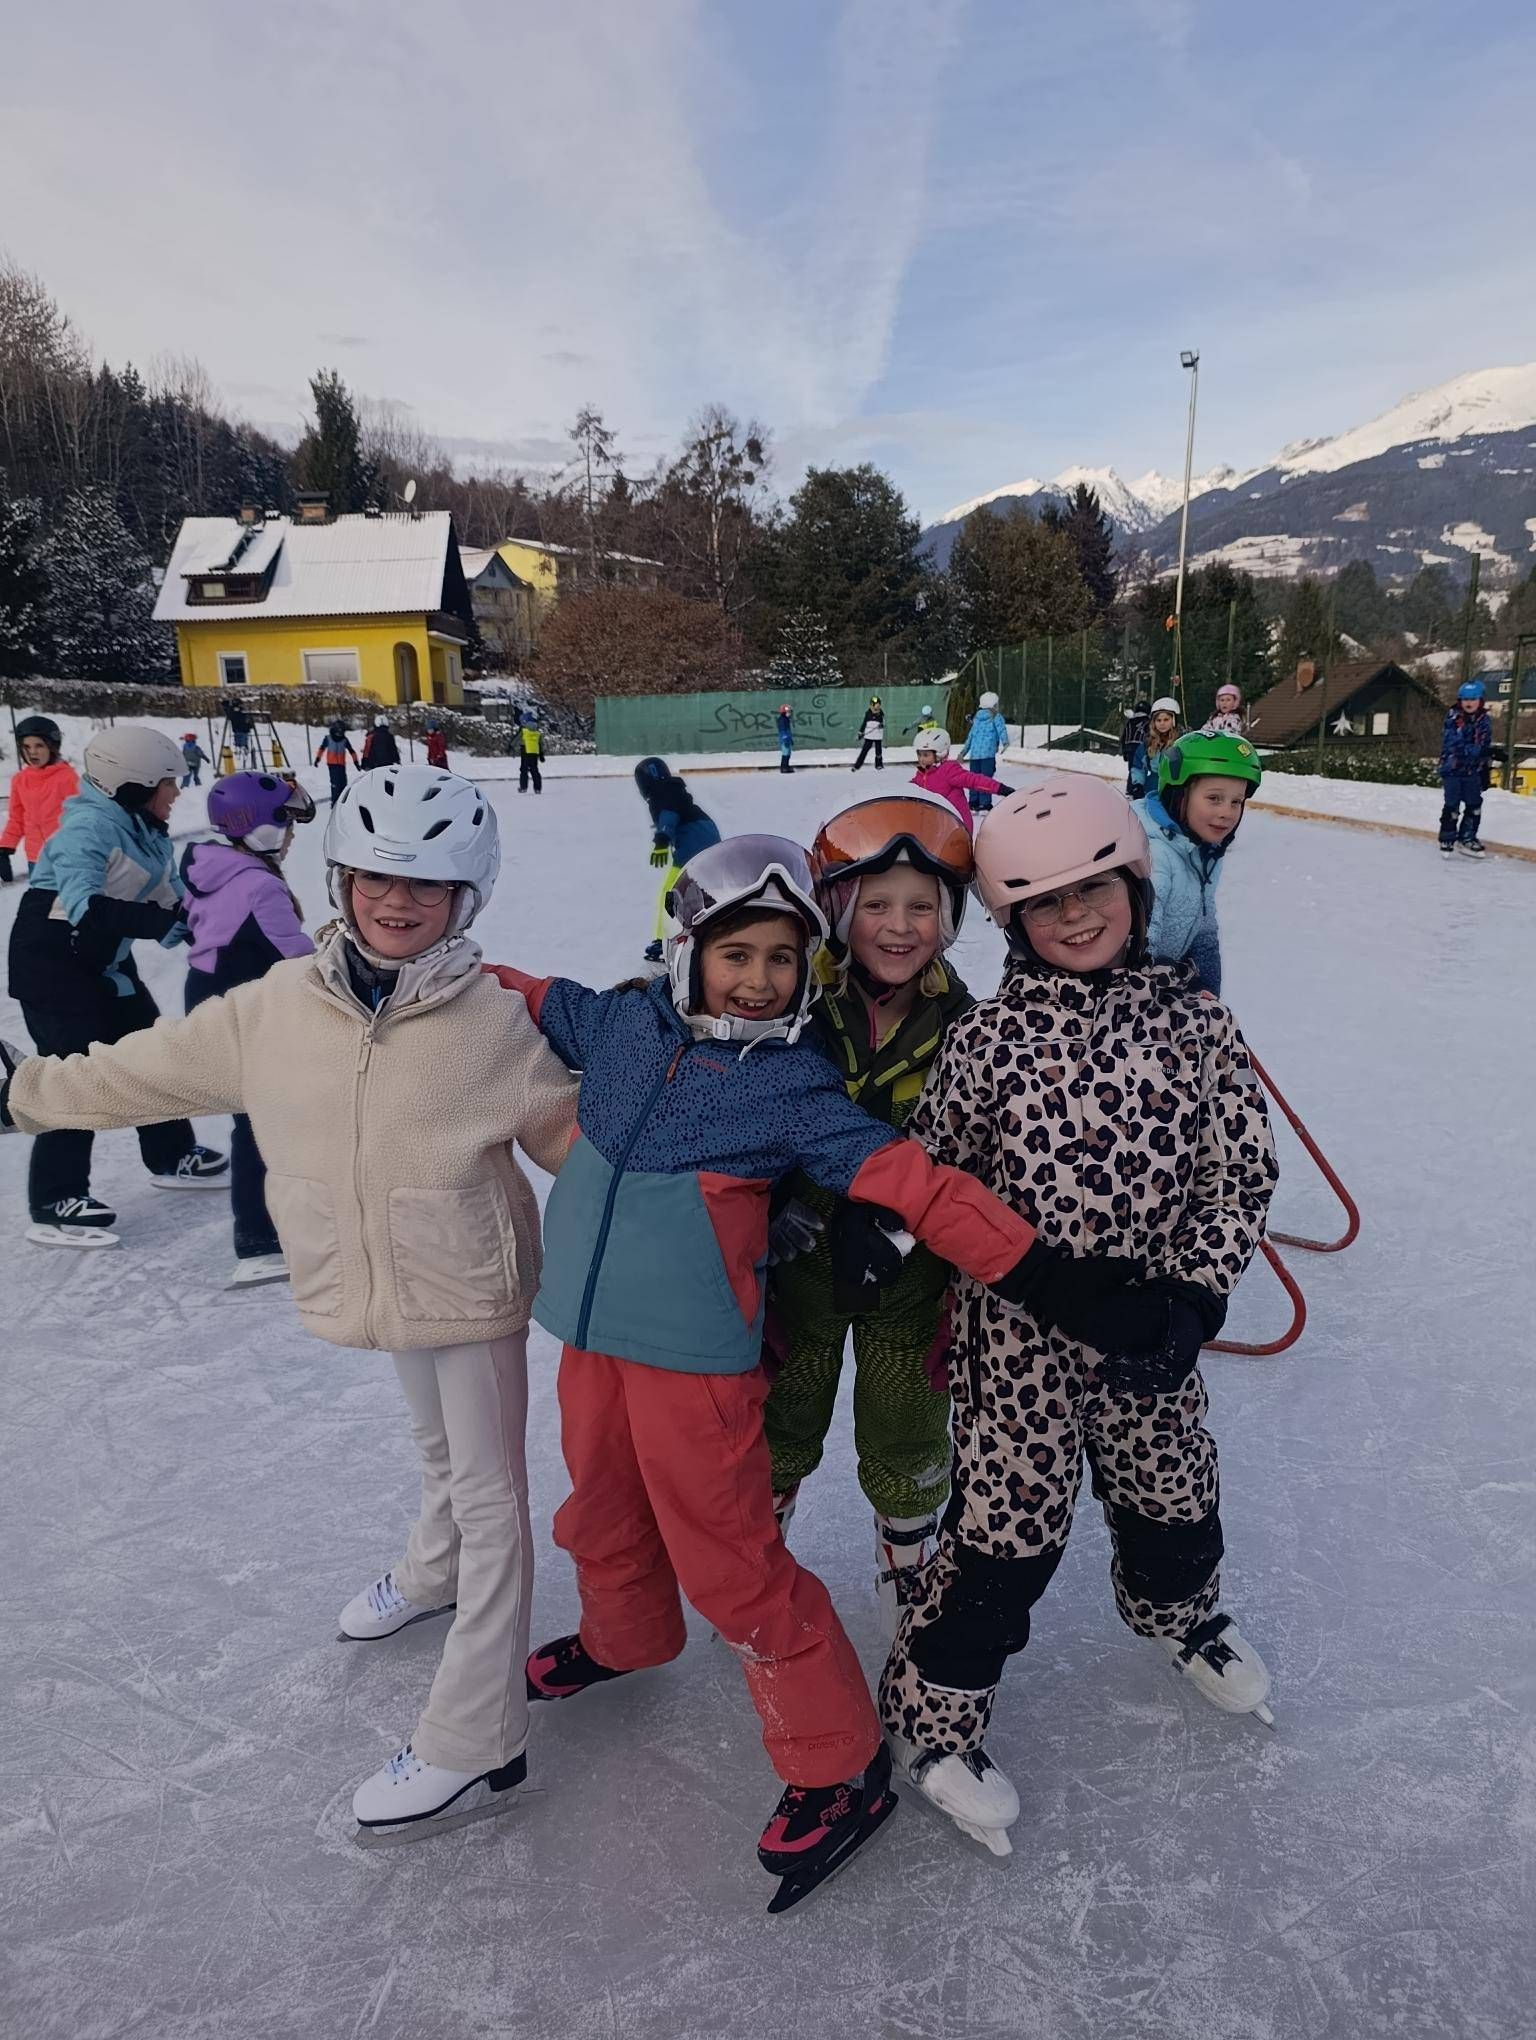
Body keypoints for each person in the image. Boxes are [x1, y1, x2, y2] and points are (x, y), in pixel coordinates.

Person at [491, 835, 1142, 1904]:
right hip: (589, 1340)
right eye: (735, 954)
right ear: (686, 949)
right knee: (599, 1509)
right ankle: (626, 1635)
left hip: (696, 1366)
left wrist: (1054, 1281)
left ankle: (839, 1763)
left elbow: (921, 1187)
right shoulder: (620, 1025)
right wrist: (425, 960)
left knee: (733, 1565)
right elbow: (523, 993)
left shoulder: (791, 1087)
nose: (758, 980)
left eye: (783, 960)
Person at [0, 764, 581, 1838]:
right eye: (373, 879)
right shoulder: (277, 1008)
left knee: (493, 1499)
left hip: (470, 1287)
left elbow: (582, 1153)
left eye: (426, 885)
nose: (395, 902)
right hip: (374, 1276)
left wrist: (721, 1205)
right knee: (436, 1451)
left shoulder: (497, 1026)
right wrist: (22, 1092)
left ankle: (477, 1736)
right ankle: (433, 1570)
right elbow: (143, 1072)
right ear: (339, 880)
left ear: (467, 896)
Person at [879, 775, 1279, 1858]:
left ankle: (1182, 1618)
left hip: (1152, 1333)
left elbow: (1238, 1174)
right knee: (1004, 1539)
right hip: (1019, 1347)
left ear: (1135, 889)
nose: (1074, 916)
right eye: (1043, 903)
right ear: (1011, 922)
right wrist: (889, 1248)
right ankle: (935, 1716)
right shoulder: (987, 1040)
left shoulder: (1197, 1024)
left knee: (1174, 1497)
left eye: (1092, 890)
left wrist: (1193, 1299)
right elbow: (939, 1180)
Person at [763, 791, 976, 1634]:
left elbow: (975, 1147)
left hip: (910, 1274)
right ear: (839, 909)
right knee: (782, 1404)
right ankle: (759, 1540)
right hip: (797, 1262)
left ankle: (906, 1550)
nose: (899, 926)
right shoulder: (791, 1004)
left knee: (908, 1417)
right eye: (876, 904)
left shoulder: (966, 1026)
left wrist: (906, 1224)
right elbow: (738, 1107)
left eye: (922, 907)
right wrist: (772, 1201)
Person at [5, 727, 228, 1247]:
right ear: (133, 784)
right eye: (168, 783)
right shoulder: (87, 828)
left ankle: (171, 1154)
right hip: (52, 965)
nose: (176, 793)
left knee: (149, 1054)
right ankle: (54, 1199)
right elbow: (86, 906)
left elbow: (174, 901)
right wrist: (162, 922)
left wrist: (223, 928)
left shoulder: (147, 831)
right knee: (72, 1075)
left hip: (105, 961)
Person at [181, 772, 318, 1286]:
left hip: (210, 997)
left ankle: (271, 1224)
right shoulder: (261, 885)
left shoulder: (211, 868)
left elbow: (191, 929)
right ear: (261, 828)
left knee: (261, 1116)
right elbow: (298, 957)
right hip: (242, 1009)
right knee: (259, 1121)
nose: (291, 835)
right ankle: (258, 1239)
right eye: (286, 824)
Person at [1134, 731, 1262, 997]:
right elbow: (1140, 949)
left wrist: (1207, 988)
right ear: (1179, 795)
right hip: (1139, 992)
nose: (1227, 812)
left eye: (1236, 802)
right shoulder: (1156, 855)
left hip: (1170, 979)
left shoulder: (1205, 853)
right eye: (1214, 798)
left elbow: (1204, 927)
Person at [633, 756, 720, 963]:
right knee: (699, 889)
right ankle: (707, 929)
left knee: (671, 892)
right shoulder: (672, 789)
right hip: (706, 838)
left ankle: (663, 942)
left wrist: (662, 838)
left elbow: (669, 815)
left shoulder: (662, 793)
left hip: (694, 843)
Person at [1, 715, 79, 885]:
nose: (32, 752)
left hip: (65, 858)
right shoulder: (20, 780)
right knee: (40, 899)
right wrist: (5, 846)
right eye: (26, 747)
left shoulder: (67, 778)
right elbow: (17, 818)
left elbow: (82, 817)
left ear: (52, 747)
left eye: (39, 746)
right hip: (35, 859)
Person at [911, 729, 1010, 831]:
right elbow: (910, 791)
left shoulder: (949, 770)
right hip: (936, 825)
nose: (921, 759)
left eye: (926, 755)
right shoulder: (920, 775)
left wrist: (999, 788)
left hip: (957, 826)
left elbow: (974, 781)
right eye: (919, 754)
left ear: (939, 754)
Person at [1438, 679, 1492, 859]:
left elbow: (1484, 743)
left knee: (1474, 804)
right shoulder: (1454, 718)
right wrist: (1480, 751)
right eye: (1465, 699)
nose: (1469, 703)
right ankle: (1447, 838)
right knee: (1452, 805)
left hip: (1472, 771)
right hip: (1453, 769)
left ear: (1480, 700)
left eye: (1473, 699)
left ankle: (1467, 838)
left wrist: (1486, 764)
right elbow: (1455, 744)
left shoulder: (1484, 720)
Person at [958, 692, 1009, 813]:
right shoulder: (996, 716)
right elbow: (1001, 730)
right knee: (985, 779)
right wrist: (1005, 742)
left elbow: (971, 737)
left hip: (975, 755)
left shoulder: (976, 718)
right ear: (994, 704)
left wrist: (963, 752)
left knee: (974, 779)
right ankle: (985, 804)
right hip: (988, 754)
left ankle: (973, 803)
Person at [1127, 696, 1181, 799]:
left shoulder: (1180, 743)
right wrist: (1138, 785)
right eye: (1158, 720)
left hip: (1175, 790)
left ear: (1174, 720)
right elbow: (1138, 766)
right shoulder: (1148, 743)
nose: (1162, 723)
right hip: (1152, 789)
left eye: (1166, 719)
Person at [315, 721, 360, 805]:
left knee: (343, 783)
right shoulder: (328, 738)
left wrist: (356, 762)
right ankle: (335, 802)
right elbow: (322, 748)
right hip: (332, 765)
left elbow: (351, 751)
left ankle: (343, 802)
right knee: (335, 783)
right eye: (339, 732)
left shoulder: (344, 740)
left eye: (341, 732)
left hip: (341, 765)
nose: (340, 734)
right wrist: (317, 759)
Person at [1119, 699, 1151, 792]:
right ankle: (1136, 788)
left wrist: (1124, 750)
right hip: (1141, 747)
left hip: (1129, 747)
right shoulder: (1148, 722)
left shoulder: (1130, 722)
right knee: (1140, 768)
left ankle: (1131, 788)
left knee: (1133, 769)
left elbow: (1124, 737)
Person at [852, 694, 885, 771]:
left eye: (879, 704)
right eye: (876, 704)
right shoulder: (868, 713)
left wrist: (881, 725)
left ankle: (879, 765)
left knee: (878, 752)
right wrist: (860, 732)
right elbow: (864, 723)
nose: (878, 706)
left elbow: (883, 723)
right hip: (869, 736)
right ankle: (857, 766)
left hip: (878, 736)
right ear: (872, 705)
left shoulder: (881, 713)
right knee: (864, 751)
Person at [516, 709, 545, 795]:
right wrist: (541, 755)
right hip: (534, 751)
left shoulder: (523, 730)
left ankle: (523, 787)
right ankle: (538, 788)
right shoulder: (537, 731)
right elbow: (540, 743)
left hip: (525, 750)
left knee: (524, 769)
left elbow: (516, 739)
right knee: (534, 769)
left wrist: (510, 747)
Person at [777, 702, 795, 774]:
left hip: (787, 737)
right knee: (785, 752)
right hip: (784, 738)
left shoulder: (786, 719)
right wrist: (785, 738)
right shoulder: (782, 719)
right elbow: (783, 729)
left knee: (788, 752)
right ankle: (784, 767)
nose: (790, 713)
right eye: (788, 712)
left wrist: (790, 739)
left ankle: (786, 766)